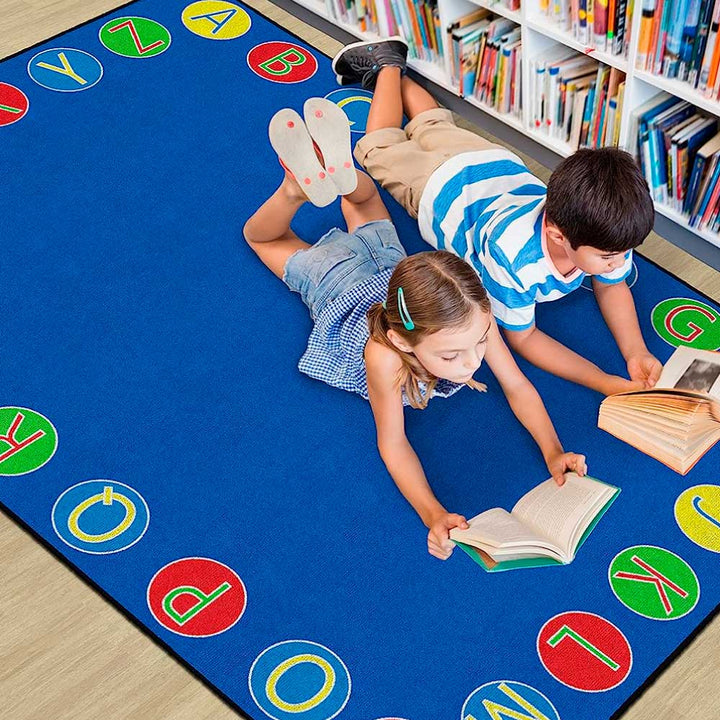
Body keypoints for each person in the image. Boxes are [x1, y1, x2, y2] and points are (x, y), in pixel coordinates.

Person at [244, 97, 587, 560]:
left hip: (394, 265)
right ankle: (294, 190)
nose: (470, 364)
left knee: (362, 196)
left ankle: (340, 172)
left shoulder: (472, 320)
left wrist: (553, 450)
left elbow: (518, 385)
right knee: (264, 238)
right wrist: (432, 512)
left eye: (478, 344)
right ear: (404, 341)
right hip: (337, 281)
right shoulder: (384, 355)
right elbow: (393, 442)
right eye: (450, 357)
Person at [332, 38, 663, 397]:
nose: (619, 261)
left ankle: (397, 65)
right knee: (381, 146)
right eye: (609, 257)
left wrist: (636, 352)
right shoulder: (514, 259)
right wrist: (601, 381)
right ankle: (387, 66)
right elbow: (525, 337)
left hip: (492, 165)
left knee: (432, 126)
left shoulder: (610, 233)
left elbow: (611, 283)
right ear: (556, 235)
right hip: (438, 190)